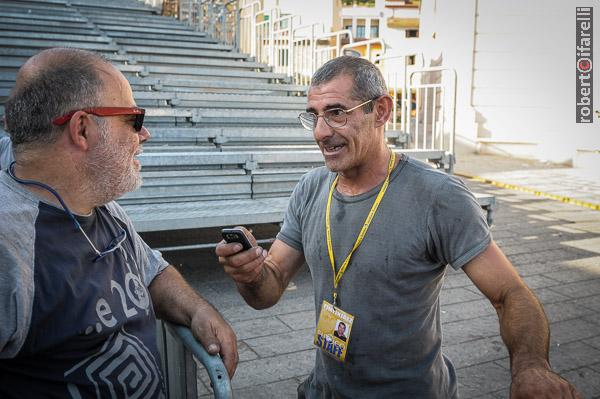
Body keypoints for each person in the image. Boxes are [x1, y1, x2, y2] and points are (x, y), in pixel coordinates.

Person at [216, 56, 581, 398]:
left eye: (337, 113)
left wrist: (532, 366)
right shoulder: (311, 188)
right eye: (313, 116)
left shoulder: (439, 196)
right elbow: (271, 285)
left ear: (381, 111)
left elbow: (510, 294)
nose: (321, 132)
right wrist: (249, 274)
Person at [0, 48, 238, 398]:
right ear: (82, 128)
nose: (145, 135)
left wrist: (197, 309)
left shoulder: (98, 204)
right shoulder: (10, 248)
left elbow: (151, 271)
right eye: (133, 119)